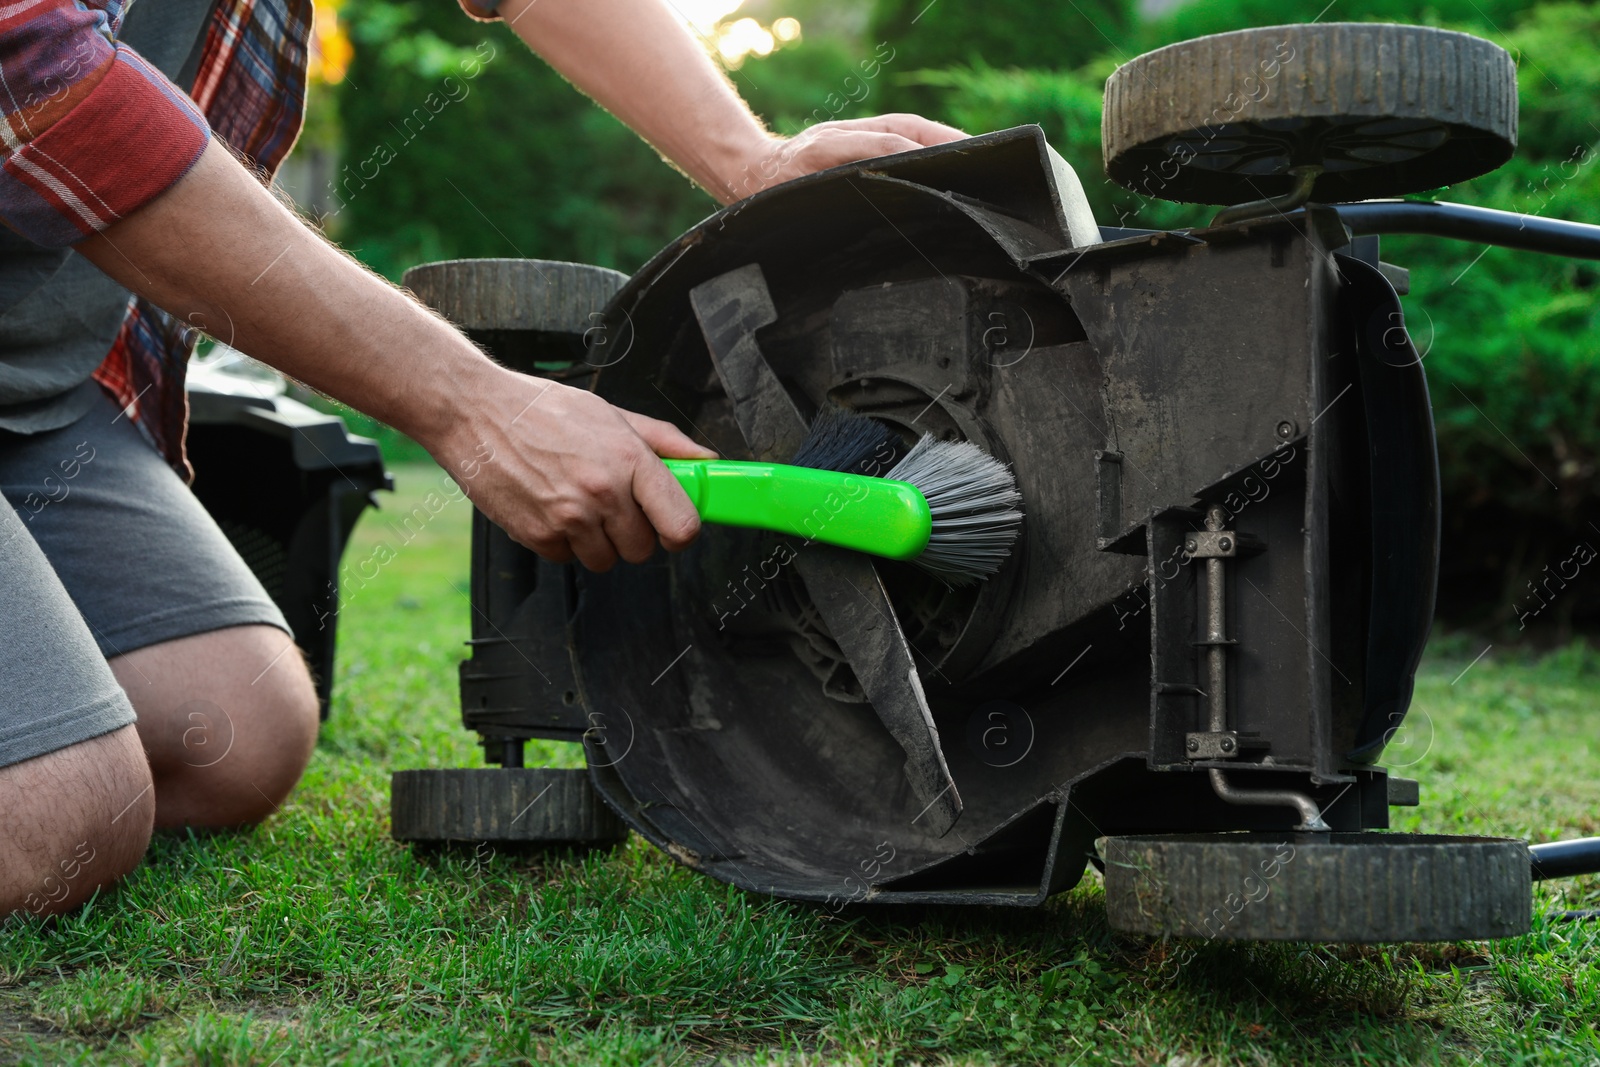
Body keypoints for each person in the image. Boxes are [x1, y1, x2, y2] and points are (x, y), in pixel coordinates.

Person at [0, 0, 965, 919]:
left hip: (43, 396)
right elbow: (35, 68)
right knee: (67, 809)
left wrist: (753, 160)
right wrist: (471, 405)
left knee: (235, 734)